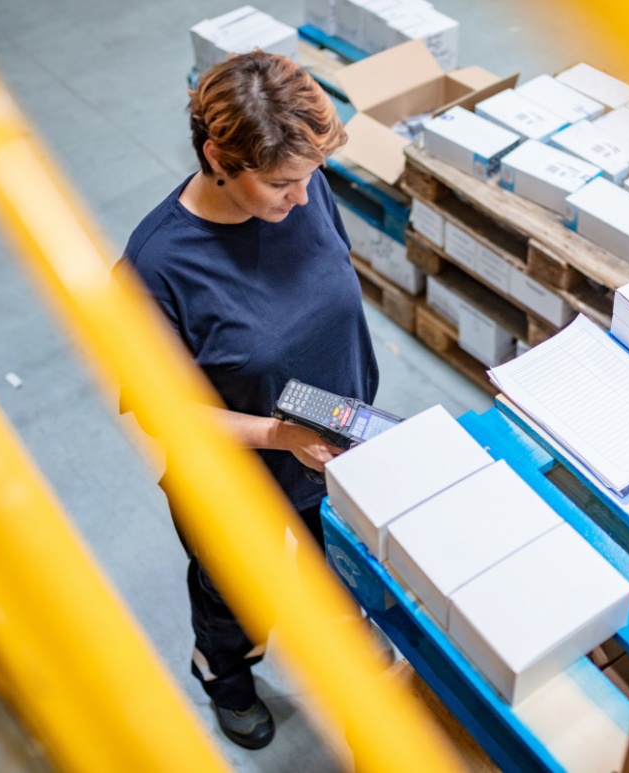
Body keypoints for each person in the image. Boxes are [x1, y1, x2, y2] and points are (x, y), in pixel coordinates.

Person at [119, 50, 378, 750]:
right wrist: (277, 434)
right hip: (234, 473)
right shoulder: (156, 268)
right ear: (218, 157)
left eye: (309, 178)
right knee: (237, 592)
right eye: (281, 185)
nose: (301, 200)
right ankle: (224, 672)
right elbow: (163, 413)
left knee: (349, 573)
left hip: (336, 446)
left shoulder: (302, 186)